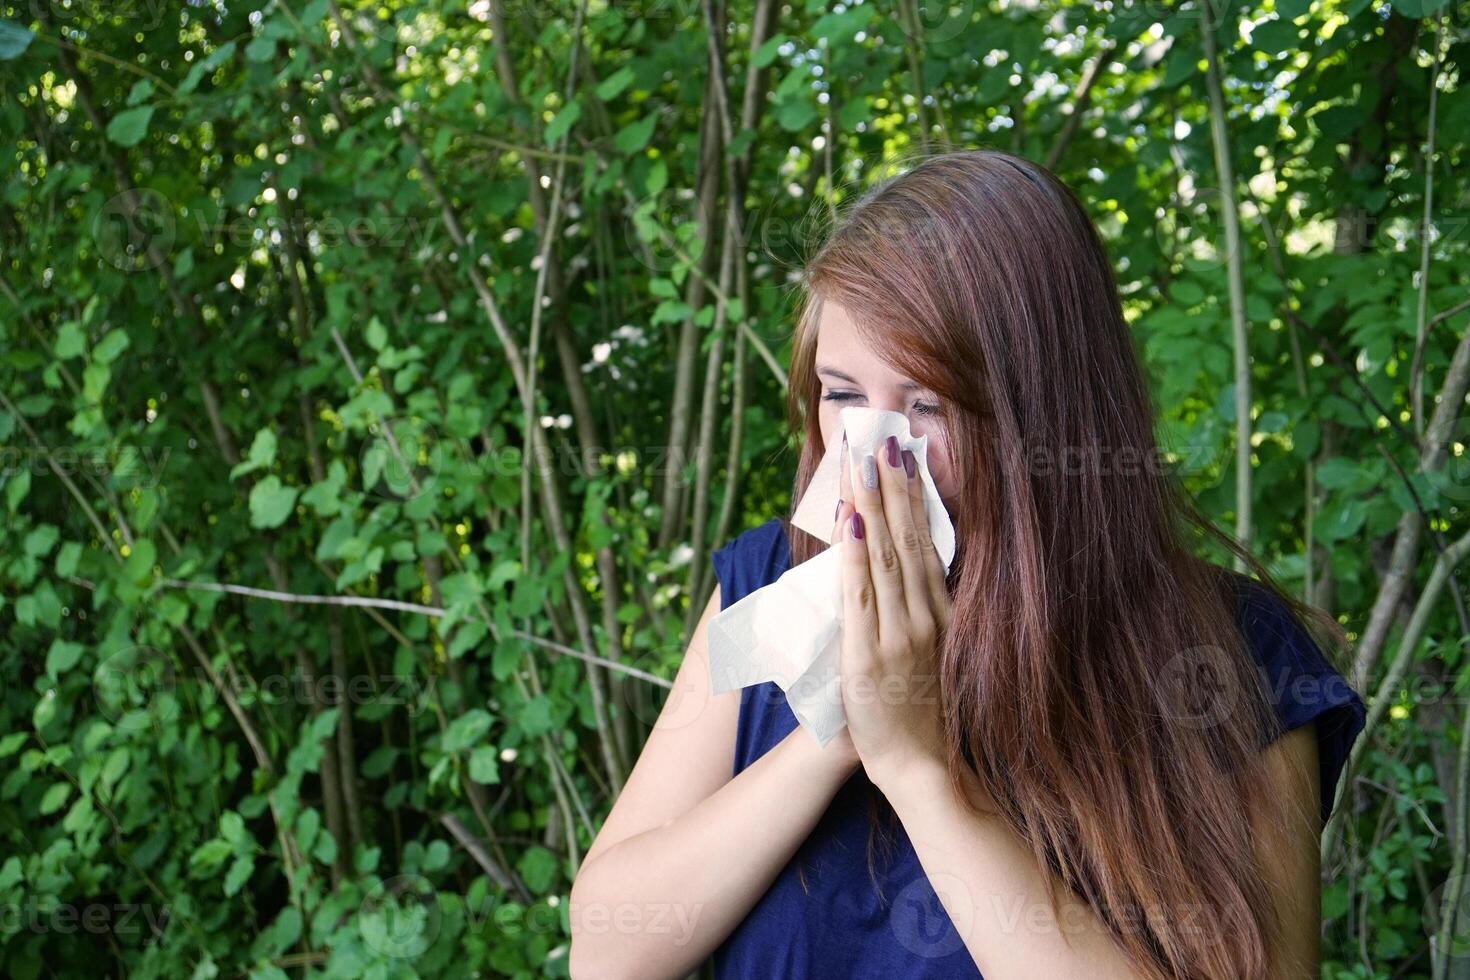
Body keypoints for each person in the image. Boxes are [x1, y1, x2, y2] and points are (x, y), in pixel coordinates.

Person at [568, 148, 1367, 980]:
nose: (876, 457)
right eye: (843, 395)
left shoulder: (1237, 658)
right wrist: (841, 726)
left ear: (1047, 416)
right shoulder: (773, 583)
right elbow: (605, 951)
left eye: (927, 406)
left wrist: (922, 773)